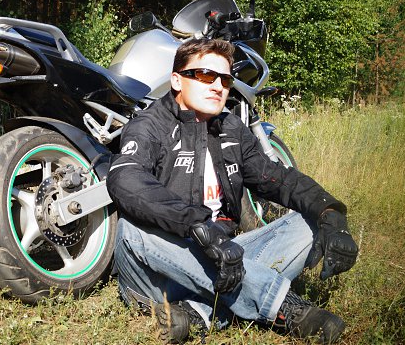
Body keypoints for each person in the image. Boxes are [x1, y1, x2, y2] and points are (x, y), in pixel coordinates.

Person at [106, 38, 359, 344]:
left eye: (225, 80)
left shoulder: (232, 129)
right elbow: (125, 178)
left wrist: (331, 213)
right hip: (159, 274)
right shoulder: (149, 125)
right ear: (177, 80)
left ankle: (198, 313)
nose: (217, 86)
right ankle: (285, 307)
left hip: (223, 259)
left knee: (309, 221)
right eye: (205, 75)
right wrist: (196, 225)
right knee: (133, 228)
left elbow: (278, 178)